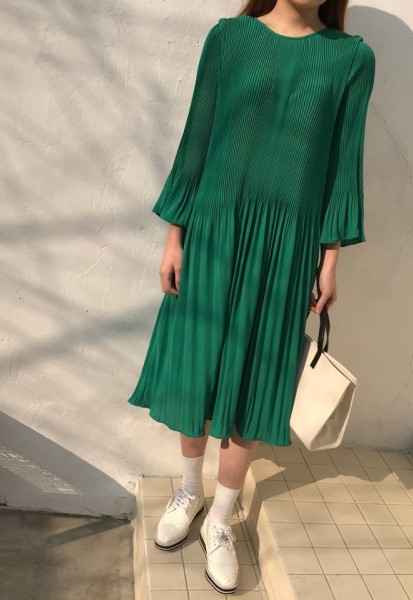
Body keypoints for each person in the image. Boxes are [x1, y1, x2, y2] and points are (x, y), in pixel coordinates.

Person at [128, 0, 375, 594]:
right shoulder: (229, 39)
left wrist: (330, 260)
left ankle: (220, 519)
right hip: (215, 229)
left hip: (288, 246)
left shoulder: (351, 59)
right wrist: (175, 237)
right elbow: (197, 139)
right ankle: (189, 491)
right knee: (197, 365)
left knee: (257, 379)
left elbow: (342, 166)